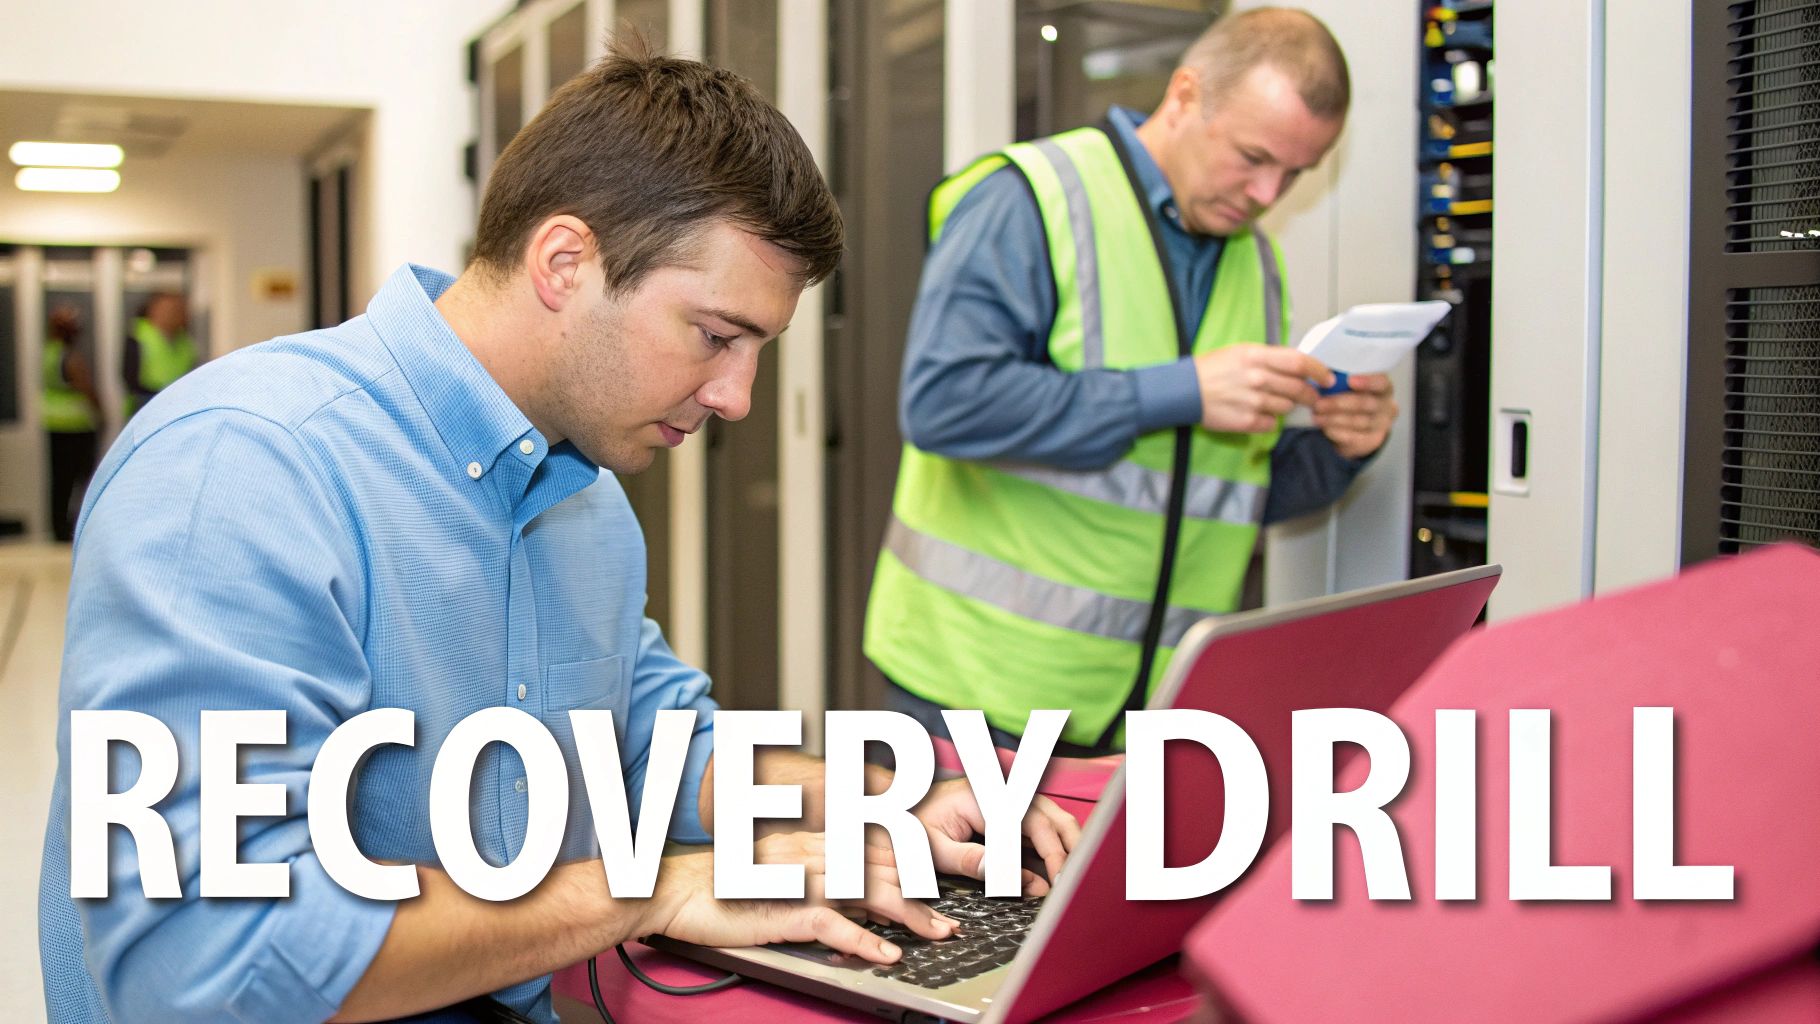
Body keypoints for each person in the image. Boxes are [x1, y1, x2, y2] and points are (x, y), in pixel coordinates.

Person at [39, 42, 1077, 1024]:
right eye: (715, 336)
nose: (738, 397)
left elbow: (647, 743)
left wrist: (888, 799)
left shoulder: (579, 493)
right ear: (565, 261)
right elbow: (209, 963)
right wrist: (647, 890)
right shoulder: (244, 468)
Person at [863, 8, 1399, 754]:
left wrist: (1342, 450)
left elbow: (1221, 491)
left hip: (1142, 717)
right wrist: (1178, 390)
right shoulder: (1031, 199)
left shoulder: (1256, 266)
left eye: (1296, 173)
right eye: (1252, 155)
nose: (1268, 194)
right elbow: (944, 404)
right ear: (1185, 96)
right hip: (976, 698)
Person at [41, 304, 101, 542]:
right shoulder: (70, 357)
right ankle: (73, 527)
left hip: (54, 424)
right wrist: (101, 411)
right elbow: (85, 387)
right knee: (81, 479)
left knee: (59, 481)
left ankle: (58, 527)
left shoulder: (48, 353)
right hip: (76, 426)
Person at [122, 290, 198, 418]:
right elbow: (129, 377)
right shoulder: (139, 335)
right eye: (169, 309)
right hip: (145, 405)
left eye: (178, 310)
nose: (174, 315)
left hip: (180, 405)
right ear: (153, 310)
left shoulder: (186, 343)